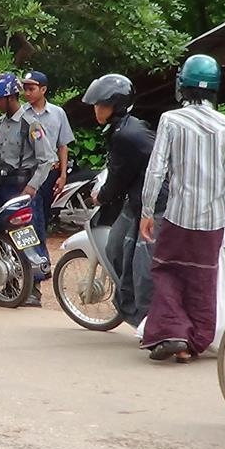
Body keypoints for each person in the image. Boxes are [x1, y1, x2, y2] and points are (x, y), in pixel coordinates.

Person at [139, 54, 225, 363]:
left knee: (167, 270)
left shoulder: (171, 120)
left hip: (178, 215)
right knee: (203, 278)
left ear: (183, 86)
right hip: (213, 219)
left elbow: (156, 169)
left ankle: (174, 333)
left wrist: (147, 210)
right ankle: (193, 343)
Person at [82, 74, 165, 328]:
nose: (97, 110)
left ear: (117, 107)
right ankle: (131, 307)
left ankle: (147, 320)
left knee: (139, 264)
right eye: (97, 105)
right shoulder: (128, 127)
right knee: (116, 248)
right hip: (137, 201)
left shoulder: (125, 135)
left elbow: (118, 177)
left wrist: (100, 197)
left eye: (103, 105)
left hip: (152, 204)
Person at [0, 72, 57, 307]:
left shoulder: (31, 124)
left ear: (11, 97)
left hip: (24, 188)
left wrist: (32, 187)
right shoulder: (0, 125)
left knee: (28, 235)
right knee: (4, 235)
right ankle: (10, 285)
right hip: (4, 186)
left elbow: (47, 159)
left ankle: (34, 289)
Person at [20, 71, 74, 231]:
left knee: (43, 213)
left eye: (31, 89)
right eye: (25, 89)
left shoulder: (58, 113)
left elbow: (62, 145)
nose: (27, 93)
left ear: (43, 90)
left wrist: (63, 175)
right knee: (26, 214)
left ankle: (41, 242)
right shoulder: (21, 113)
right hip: (28, 173)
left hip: (50, 172)